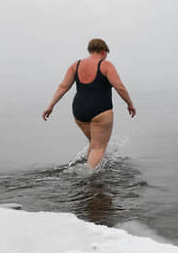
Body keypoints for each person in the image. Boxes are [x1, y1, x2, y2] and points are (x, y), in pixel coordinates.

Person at [42, 38, 136, 169]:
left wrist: (50, 106)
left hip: (79, 111)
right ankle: (87, 176)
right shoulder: (106, 65)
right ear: (103, 51)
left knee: (94, 142)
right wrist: (129, 104)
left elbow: (63, 87)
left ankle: (89, 166)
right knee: (99, 147)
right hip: (100, 110)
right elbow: (119, 87)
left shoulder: (76, 65)